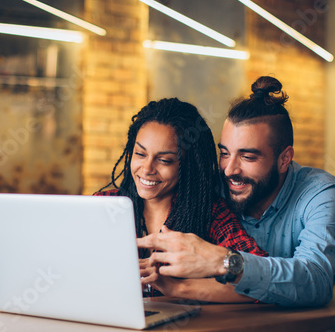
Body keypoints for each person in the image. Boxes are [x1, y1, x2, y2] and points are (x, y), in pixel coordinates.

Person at [137, 76, 335, 307]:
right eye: (225, 153)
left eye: (247, 157)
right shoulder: (210, 189)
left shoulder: (318, 191)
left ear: (284, 159)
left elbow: (315, 282)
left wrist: (224, 262)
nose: (229, 170)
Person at [94, 97, 268, 301]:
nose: (147, 169)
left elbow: (261, 282)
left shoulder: (210, 213)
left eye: (164, 160)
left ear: (187, 165)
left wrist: (178, 287)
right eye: (140, 154)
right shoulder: (104, 205)